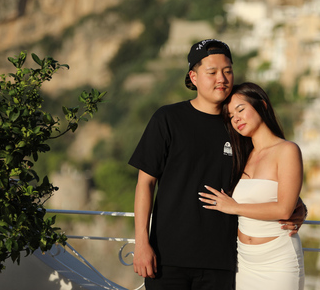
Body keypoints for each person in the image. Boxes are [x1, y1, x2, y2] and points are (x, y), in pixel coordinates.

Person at [129, 39, 306, 290]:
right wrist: (141, 243)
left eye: (227, 71)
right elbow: (145, 183)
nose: (221, 78)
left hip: (222, 262)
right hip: (167, 258)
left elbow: (265, 174)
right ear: (194, 76)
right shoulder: (168, 119)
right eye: (211, 72)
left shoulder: (239, 127)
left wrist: (298, 206)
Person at [199, 82, 305, 289]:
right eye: (230, 116)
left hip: (278, 259)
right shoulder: (241, 156)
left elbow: (284, 208)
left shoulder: (287, 150)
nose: (236, 118)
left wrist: (233, 207)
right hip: (244, 261)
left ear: (262, 106)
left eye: (240, 109)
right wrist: (301, 206)